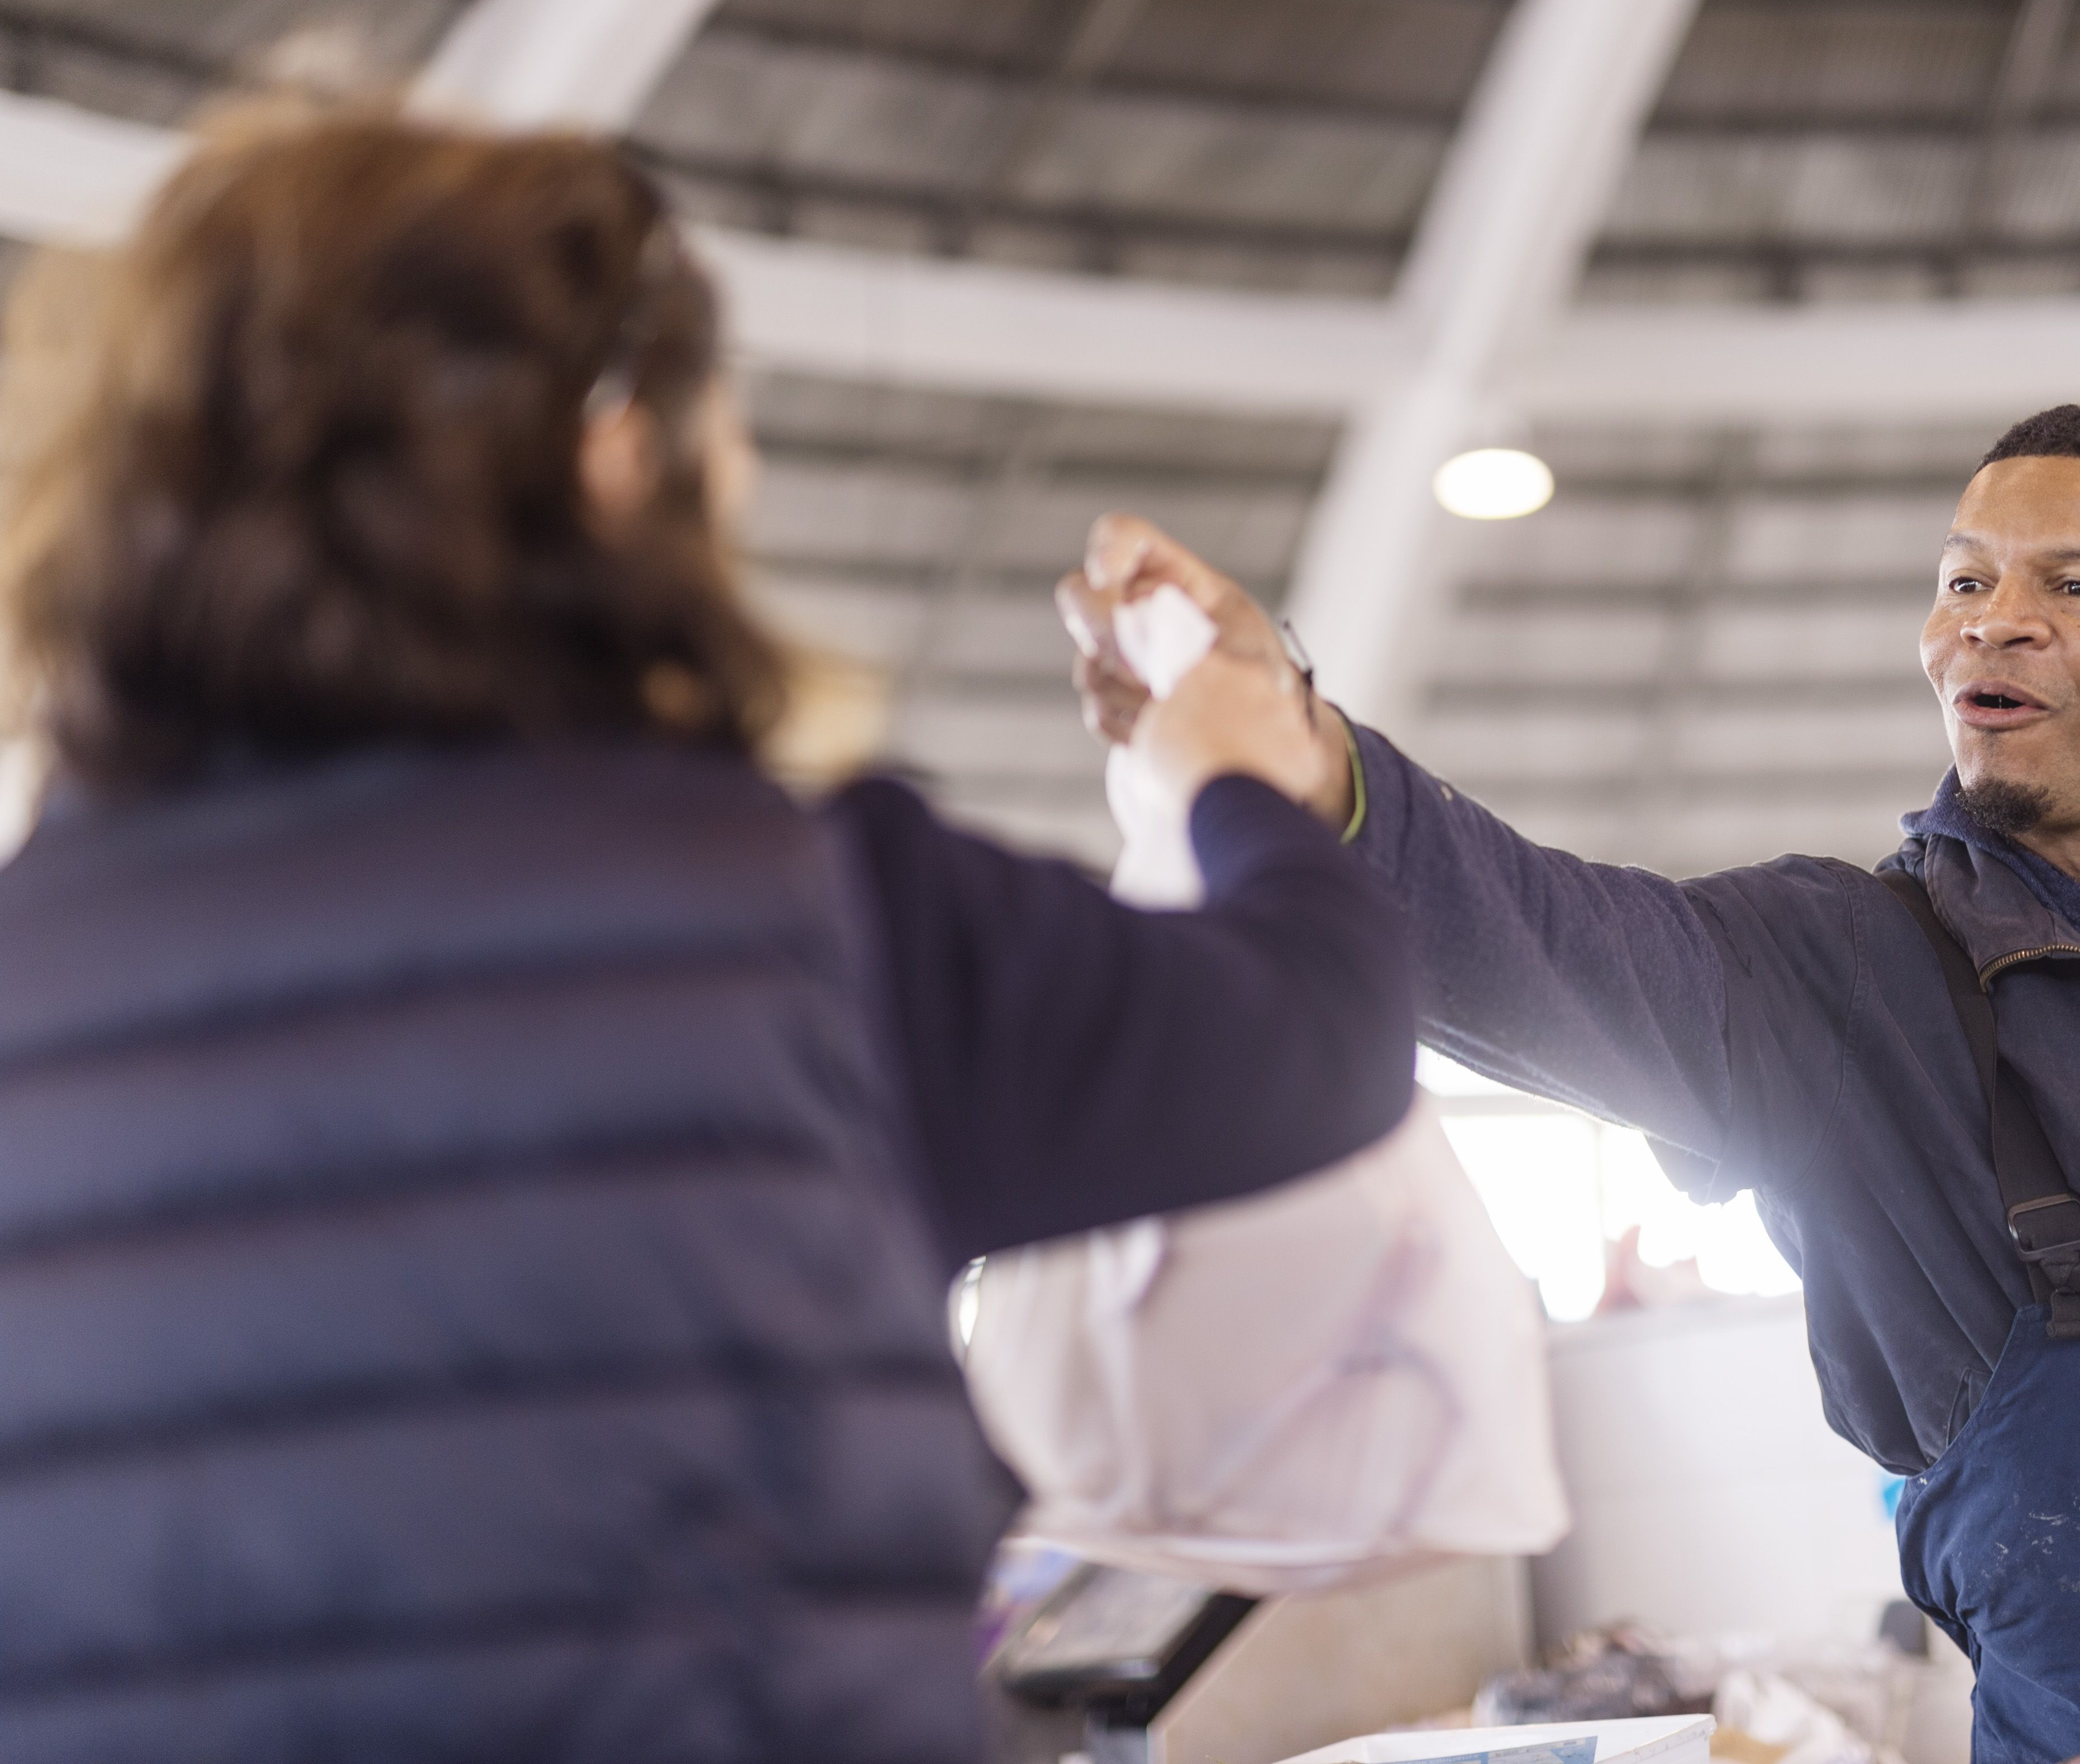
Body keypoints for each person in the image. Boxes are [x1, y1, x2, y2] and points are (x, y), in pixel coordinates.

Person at [0, 113, 1411, 1762]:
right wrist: (1234, 771)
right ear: (611, 460)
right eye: (721, 429)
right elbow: (1318, 1031)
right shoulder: (801, 914)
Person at [1066, 408, 2080, 1764]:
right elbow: (1534, 940)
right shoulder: (1827, 976)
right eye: (1961, 583)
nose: (1990, 621)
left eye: (2073, 588)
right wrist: (1293, 750)